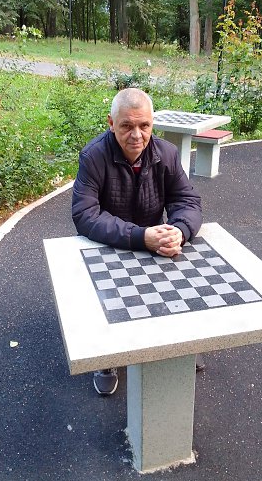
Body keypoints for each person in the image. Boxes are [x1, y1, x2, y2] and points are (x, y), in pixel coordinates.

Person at [72, 88, 203, 395]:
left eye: (144, 126)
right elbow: (85, 215)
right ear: (111, 123)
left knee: (169, 289)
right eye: (126, 126)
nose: (137, 135)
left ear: (152, 123)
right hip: (108, 243)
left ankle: (179, 348)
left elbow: (187, 201)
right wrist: (139, 236)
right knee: (110, 301)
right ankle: (108, 357)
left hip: (151, 239)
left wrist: (180, 231)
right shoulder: (94, 156)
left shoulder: (167, 154)